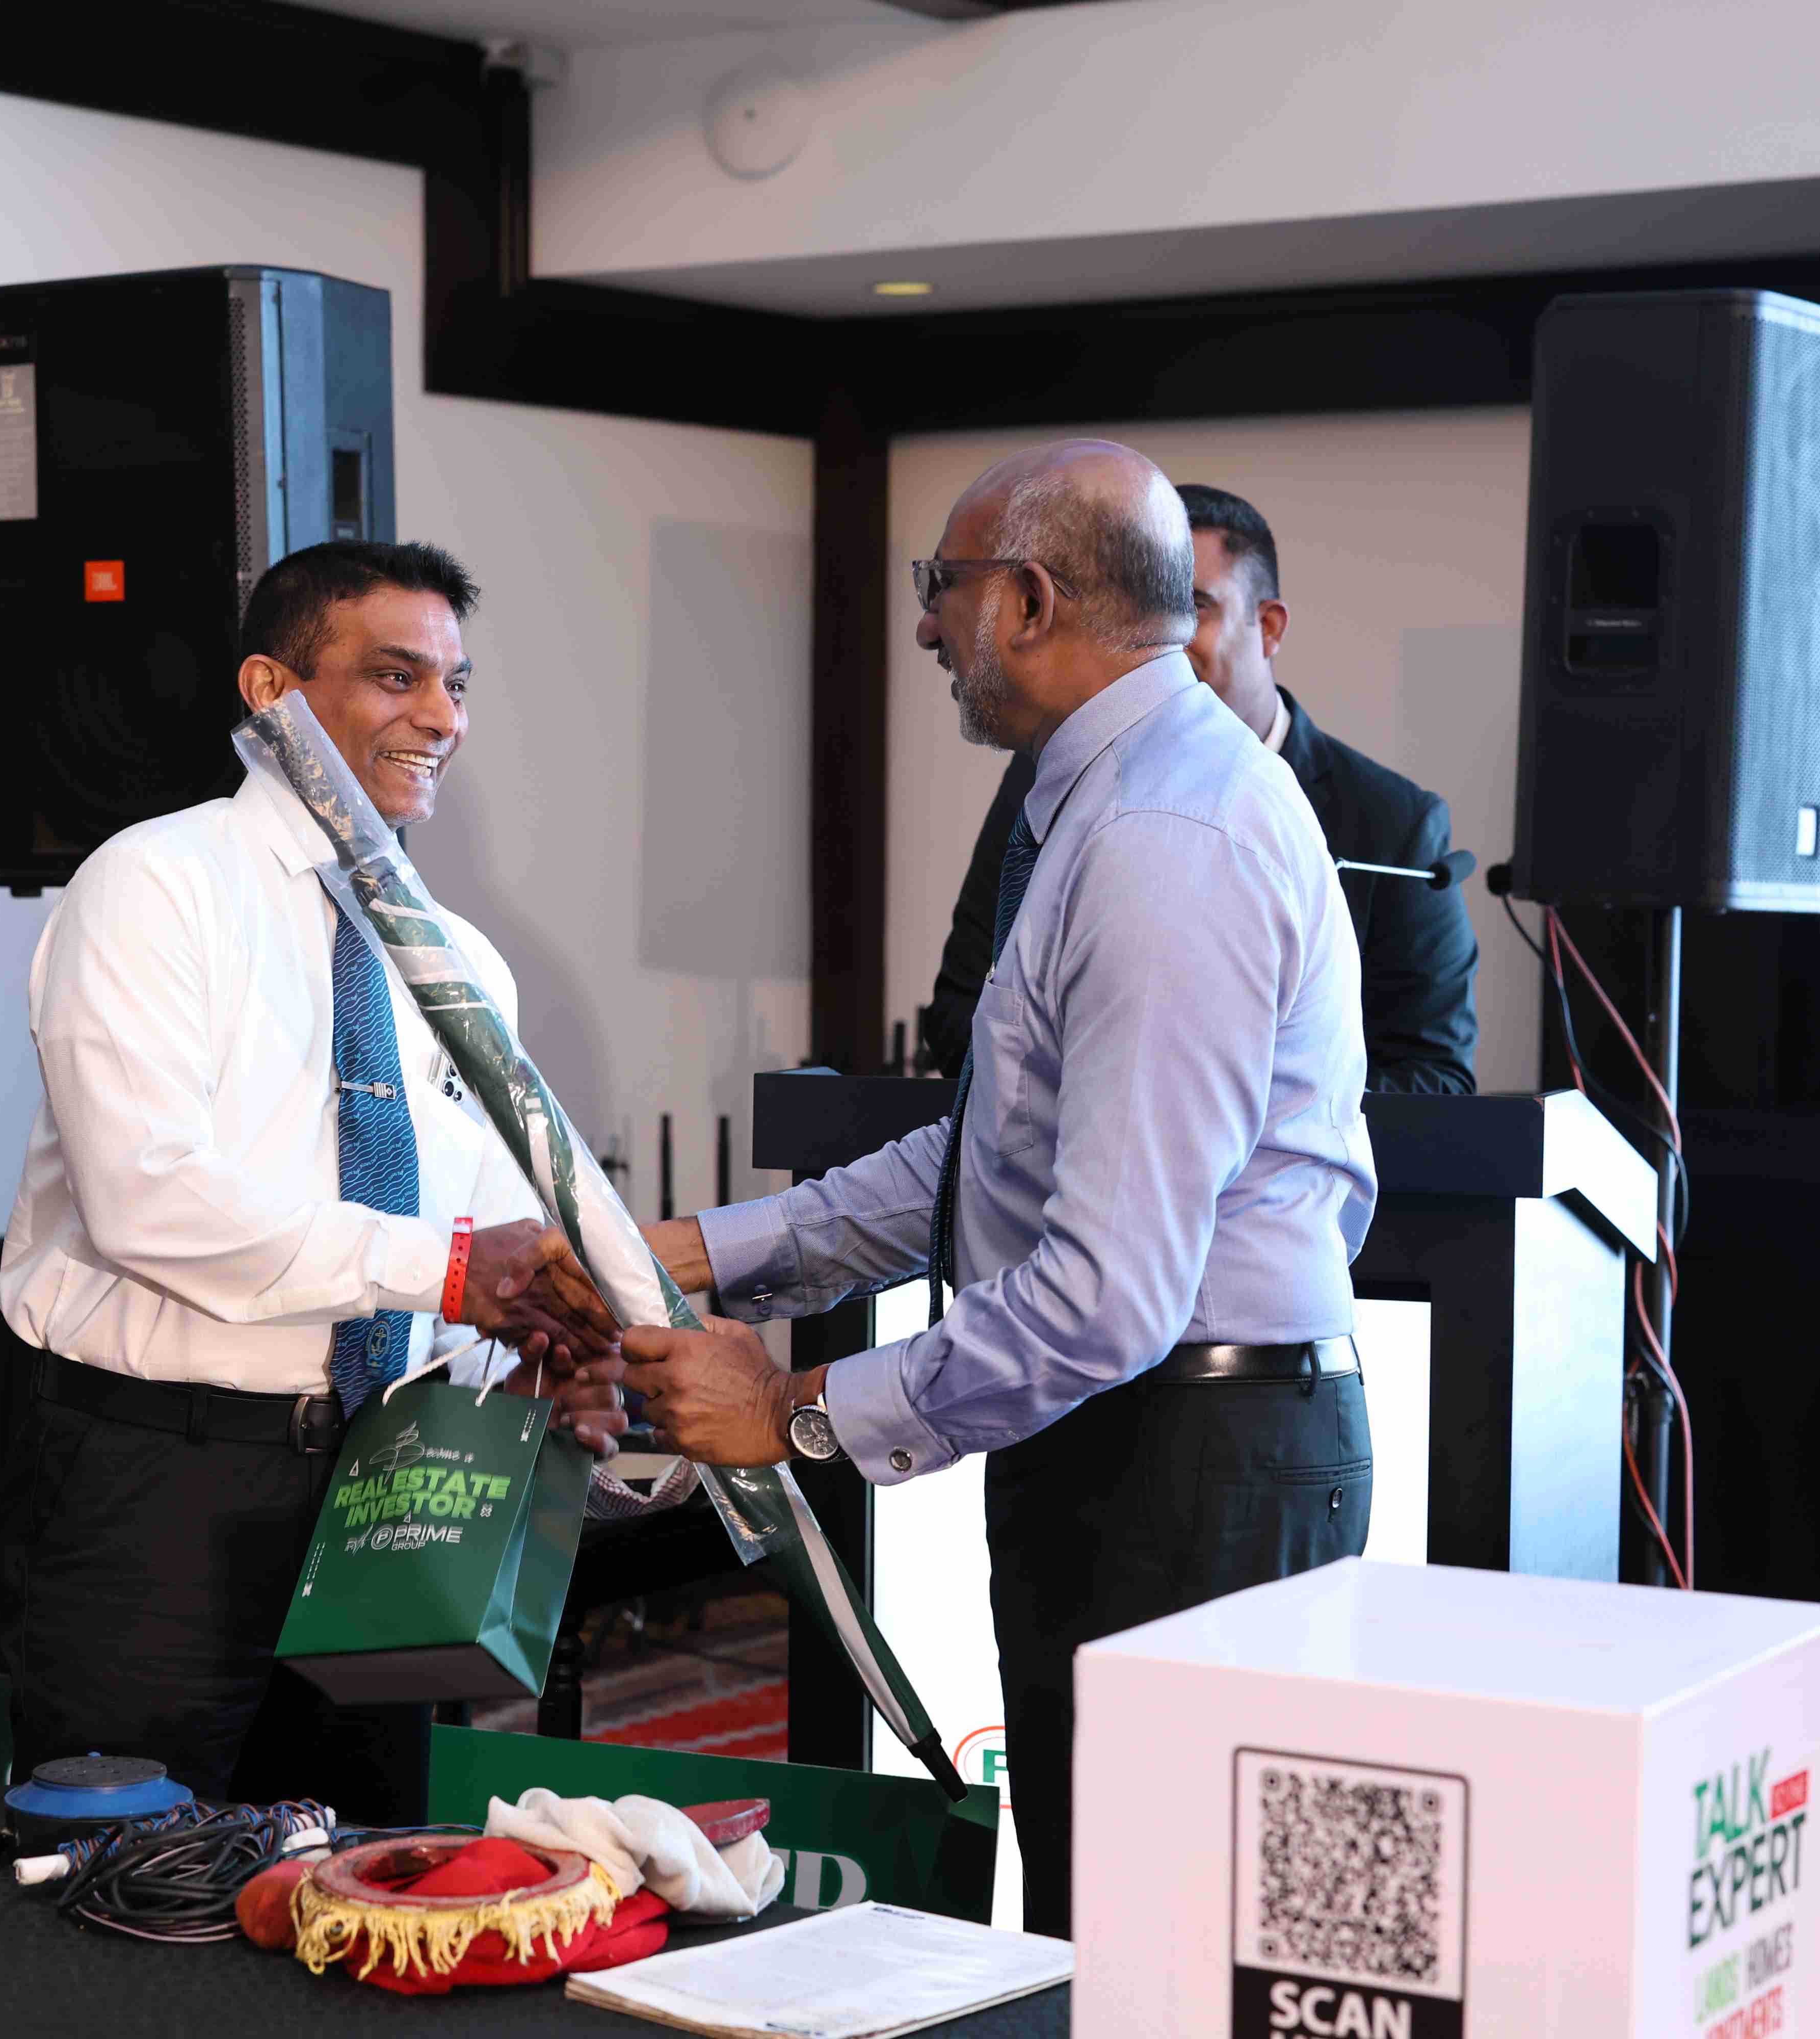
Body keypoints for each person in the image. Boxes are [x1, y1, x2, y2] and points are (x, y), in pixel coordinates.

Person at [613, 442, 1378, 1940]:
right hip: (1152, 1445)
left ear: (1027, 600)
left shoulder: (1161, 835)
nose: (924, 625)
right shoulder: (1108, 797)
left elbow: (1104, 1296)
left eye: (941, 587)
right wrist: (691, 1251)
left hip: (1185, 1454)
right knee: (1110, 1919)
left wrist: (790, 1410)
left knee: (1159, 1948)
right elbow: (985, 1159)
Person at [0, 540, 620, 1821]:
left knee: (363, 1873)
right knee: (127, 1875)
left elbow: (484, 1242)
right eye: (398, 676)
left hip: (389, 1480)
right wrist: (454, 1268)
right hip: (160, 1482)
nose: (442, 718)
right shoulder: (154, 885)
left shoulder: (460, 962)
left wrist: (543, 1346)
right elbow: (148, 1199)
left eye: (457, 684)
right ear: (272, 688)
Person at [920, 482, 1476, 1094]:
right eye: (1142, 611)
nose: (1159, 640)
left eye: (1191, 608)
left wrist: (1220, 1100)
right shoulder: (1044, 776)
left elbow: (1437, 1077)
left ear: (1268, 627)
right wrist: (1089, 1086)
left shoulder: (1393, 822)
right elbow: (958, 1010)